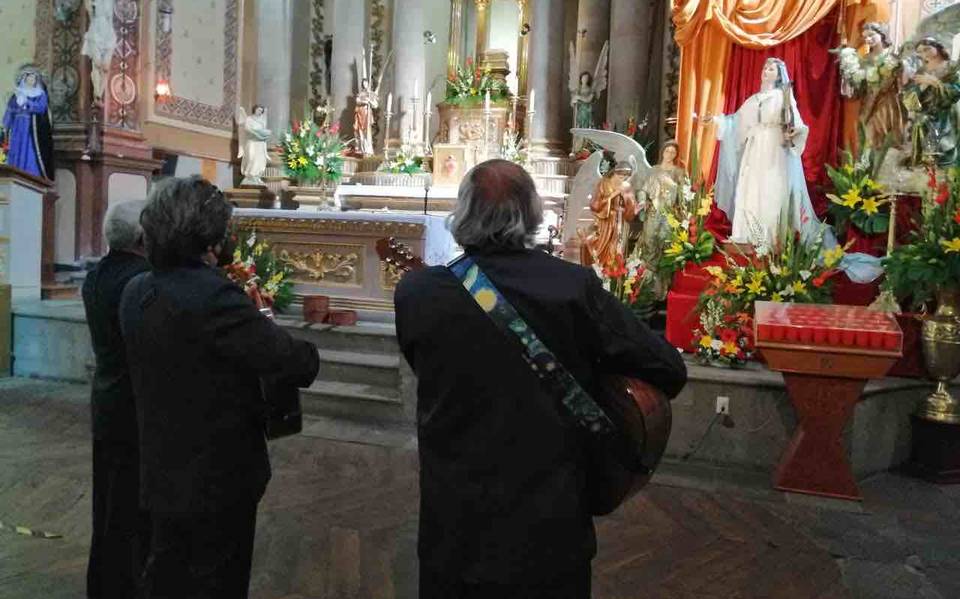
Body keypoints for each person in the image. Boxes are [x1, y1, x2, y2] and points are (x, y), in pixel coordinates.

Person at [394, 159, 687, 599]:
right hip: (549, 532)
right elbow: (668, 369)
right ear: (532, 217)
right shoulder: (572, 288)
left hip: (455, 533)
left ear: (462, 216)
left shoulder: (416, 294)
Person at [119, 176, 320, 598]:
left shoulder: (136, 289)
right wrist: (296, 345)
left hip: (160, 466)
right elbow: (291, 362)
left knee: (166, 573)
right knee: (218, 581)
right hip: (216, 477)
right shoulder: (213, 296)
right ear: (209, 234)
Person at [82, 200, 151, 599]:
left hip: (106, 400)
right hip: (136, 405)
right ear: (143, 236)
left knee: (106, 504)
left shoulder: (96, 275)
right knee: (134, 508)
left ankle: (103, 584)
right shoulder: (142, 279)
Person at [705, 58, 821, 249]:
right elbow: (736, 122)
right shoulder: (753, 100)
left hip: (775, 148)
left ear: (778, 75)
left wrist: (795, 132)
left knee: (772, 187)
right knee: (751, 187)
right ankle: (748, 234)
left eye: (771, 69)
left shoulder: (783, 96)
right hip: (755, 148)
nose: (765, 71)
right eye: (765, 67)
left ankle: (773, 236)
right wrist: (716, 121)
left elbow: (797, 123)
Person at [838, 22, 904, 148]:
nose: (868, 39)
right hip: (868, 102)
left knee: (881, 134)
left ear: (882, 34)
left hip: (885, 102)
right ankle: (867, 166)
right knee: (866, 137)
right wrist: (851, 78)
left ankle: (881, 166)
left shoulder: (892, 56)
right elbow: (860, 86)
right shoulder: (866, 58)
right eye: (865, 37)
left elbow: (894, 81)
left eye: (871, 35)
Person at [902, 37, 960, 166]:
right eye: (921, 52)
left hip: (945, 115)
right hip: (925, 115)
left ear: (937, 47)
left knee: (945, 150)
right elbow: (910, 96)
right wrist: (922, 87)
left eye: (927, 49)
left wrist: (935, 83)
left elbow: (956, 91)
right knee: (926, 152)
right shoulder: (922, 70)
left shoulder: (951, 66)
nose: (924, 53)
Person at [2, 65, 54, 179]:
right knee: (16, 149)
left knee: (30, 151)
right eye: (29, 77)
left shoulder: (40, 94)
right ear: (24, 78)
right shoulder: (16, 94)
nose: (32, 80)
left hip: (31, 128)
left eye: (34, 78)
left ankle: (30, 175)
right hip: (17, 128)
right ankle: (14, 172)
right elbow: (10, 111)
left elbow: (41, 108)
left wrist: (28, 103)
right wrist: (5, 126)